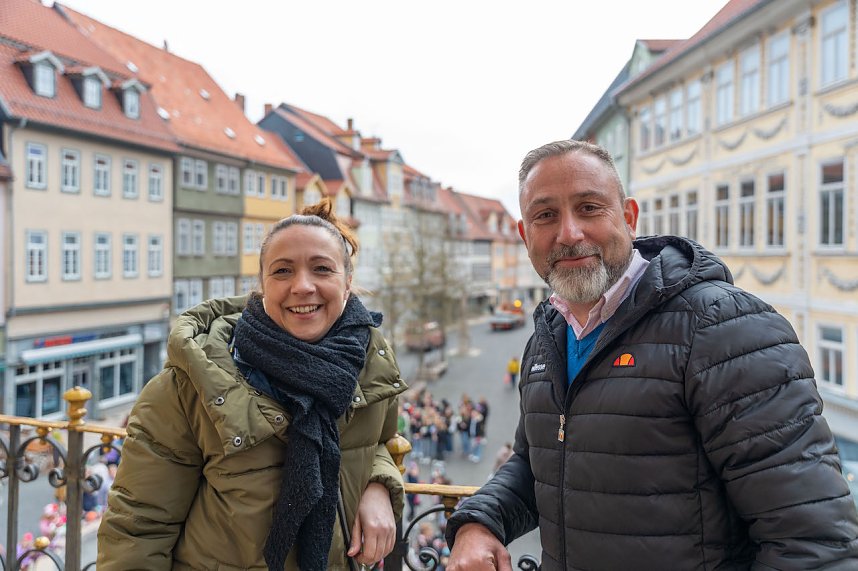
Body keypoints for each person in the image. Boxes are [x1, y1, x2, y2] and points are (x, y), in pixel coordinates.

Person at [445, 140, 858, 570]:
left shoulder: (724, 327)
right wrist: (480, 522)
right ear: (525, 233)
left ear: (628, 217)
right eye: (546, 215)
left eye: (589, 208)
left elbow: (813, 543)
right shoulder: (549, 335)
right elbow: (537, 466)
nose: (568, 233)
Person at [98, 199, 408, 570]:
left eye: (322, 269)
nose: (302, 286)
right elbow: (138, 528)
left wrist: (378, 484)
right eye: (283, 271)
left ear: (347, 283)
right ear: (262, 285)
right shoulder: (194, 383)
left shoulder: (369, 364)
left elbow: (376, 444)